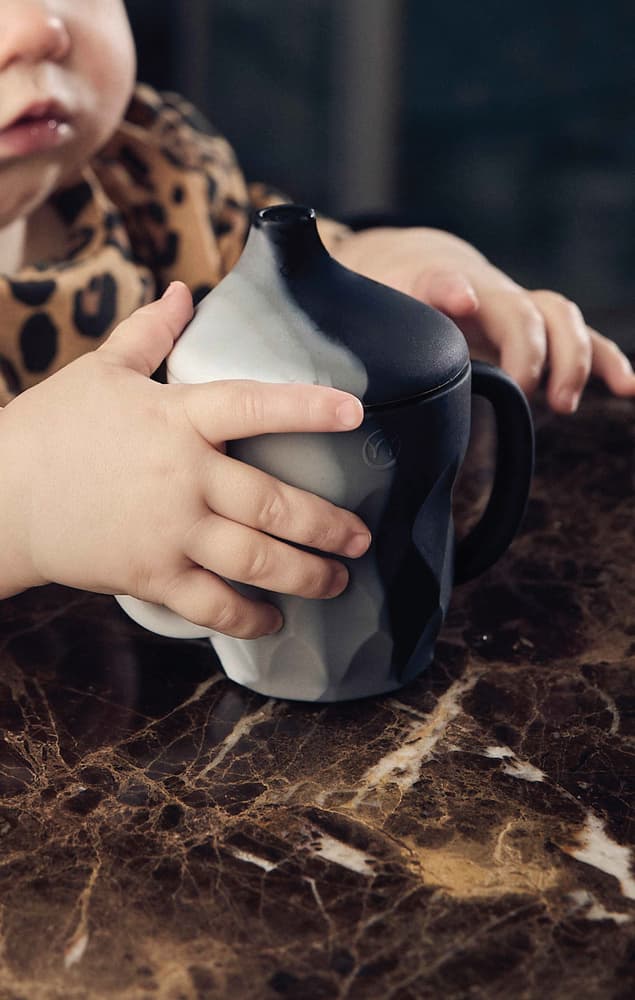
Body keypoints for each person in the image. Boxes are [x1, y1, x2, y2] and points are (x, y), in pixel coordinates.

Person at [0, 1, 633, 639]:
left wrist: (377, 275)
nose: (38, 29)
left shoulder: (155, 166)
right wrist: (21, 502)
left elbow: (266, 262)